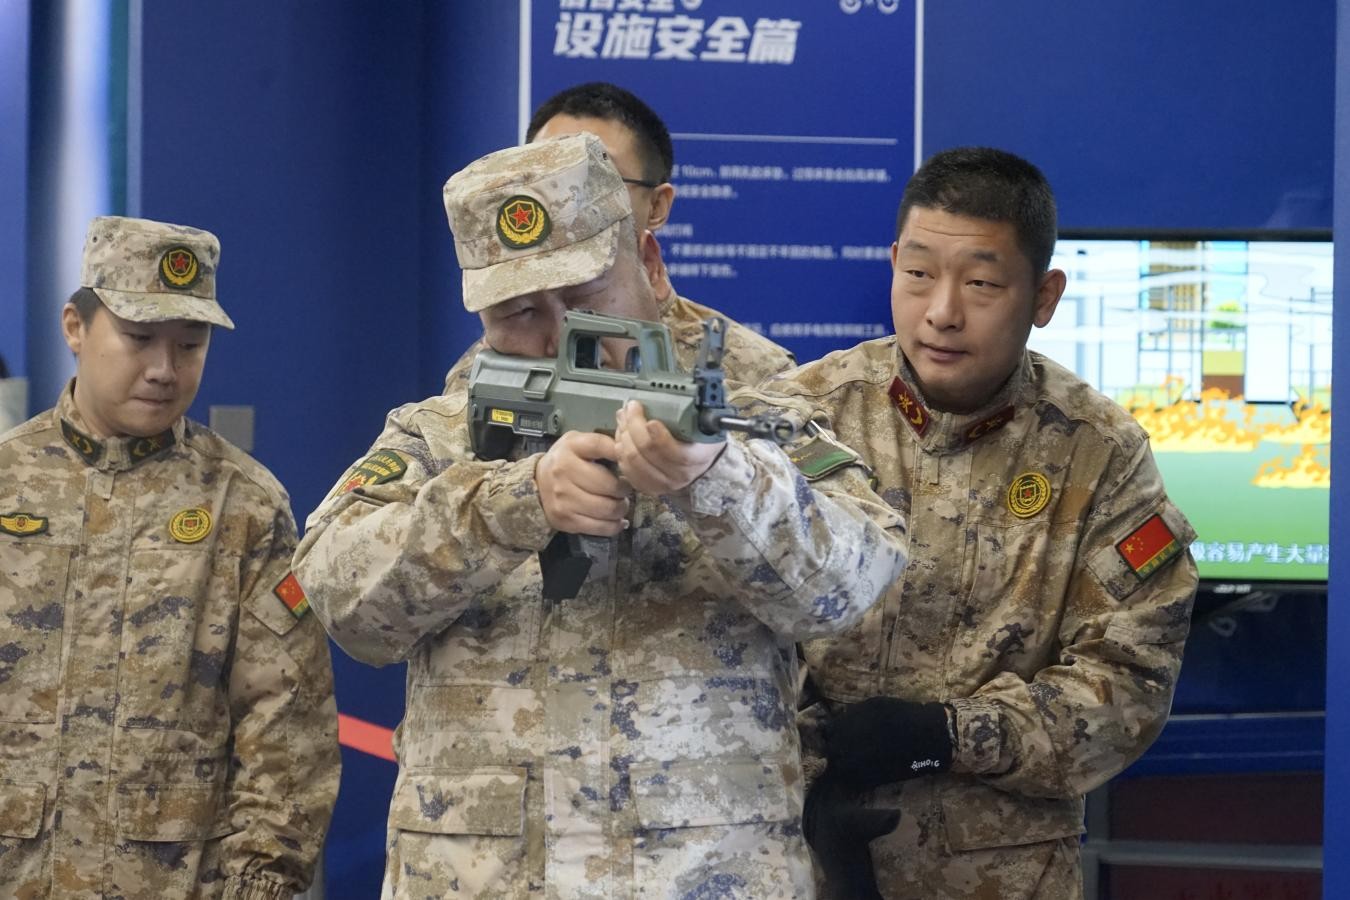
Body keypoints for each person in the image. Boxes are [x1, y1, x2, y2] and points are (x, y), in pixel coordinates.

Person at [293, 133, 909, 897]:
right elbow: (342, 597)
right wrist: (510, 505)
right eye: (520, 312)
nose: (559, 338)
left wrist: (720, 481)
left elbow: (857, 585)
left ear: (647, 263)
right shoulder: (435, 437)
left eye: (586, 299)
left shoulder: (755, 425)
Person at [740, 147, 1199, 899]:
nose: (943, 312)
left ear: (1044, 296)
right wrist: (811, 765)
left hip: (1000, 876)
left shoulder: (1097, 454)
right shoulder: (798, 420)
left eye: (982, 284)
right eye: (919, 273)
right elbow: (712, 638)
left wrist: (949, 736)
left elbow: (1130, 684)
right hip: (795, 857)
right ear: (893, 264)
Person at [0, 216, 340, 899]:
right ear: (75, 327)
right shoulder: (8, 482)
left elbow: (286, 726)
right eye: (138, 338)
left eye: (190, 344)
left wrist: (257, 886)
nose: (164, 369)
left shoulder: (243, 504)